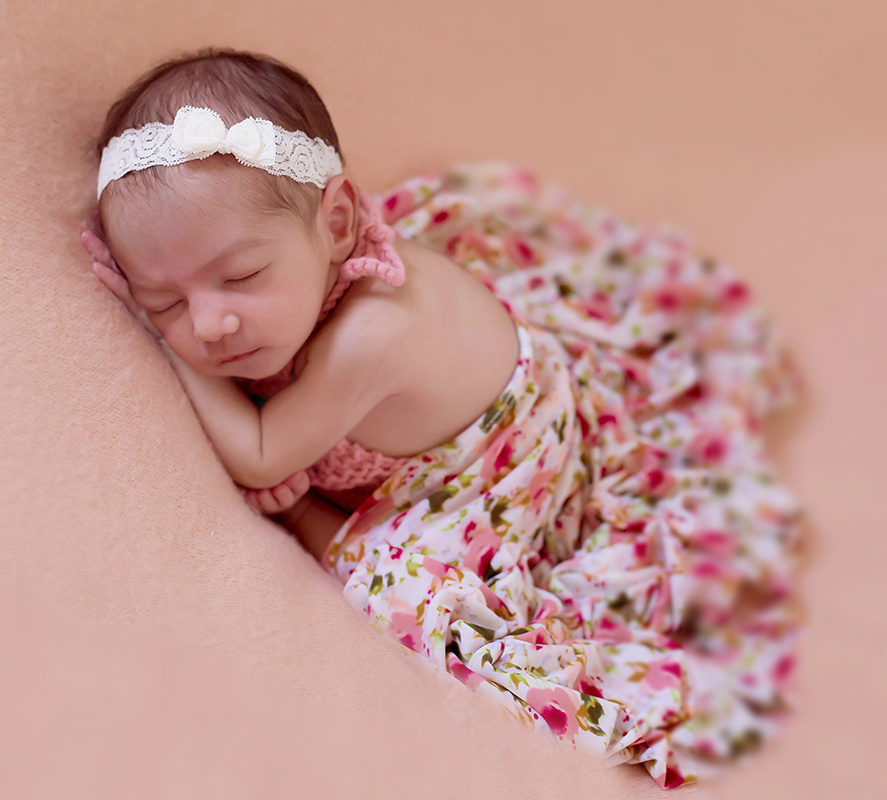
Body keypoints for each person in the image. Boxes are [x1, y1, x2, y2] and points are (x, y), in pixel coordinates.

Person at [82, 48, 801, 788]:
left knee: (403, 593)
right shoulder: (303, 281)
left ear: (338, 222)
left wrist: (158, 340)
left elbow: (260, 456)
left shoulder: (371, 336)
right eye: (165, 299)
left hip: (497, 464)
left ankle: (305, 519)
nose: (209, 325)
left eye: (241, 276)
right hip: (506, 375)